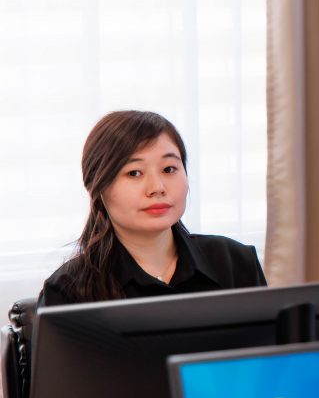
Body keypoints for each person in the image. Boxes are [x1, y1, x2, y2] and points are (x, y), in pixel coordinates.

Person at [39, 110, 266, 306]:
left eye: (169, 169)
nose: (157, 188)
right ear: (97, 186)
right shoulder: (68, 290)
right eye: (134, 173)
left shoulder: (235, 262)